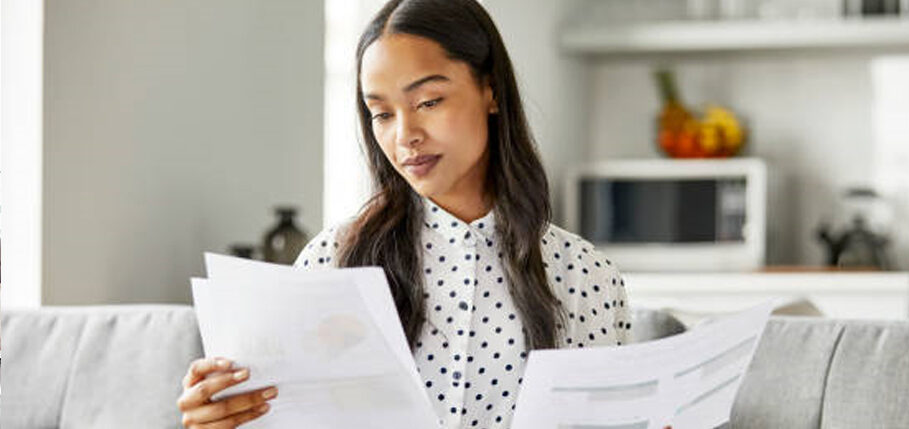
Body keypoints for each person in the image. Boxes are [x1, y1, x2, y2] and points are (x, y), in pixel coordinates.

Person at [176, 0, 631, 427]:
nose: (405, 136)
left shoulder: (584, 274)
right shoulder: (331, 261)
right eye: (381, 113)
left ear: (490, 90)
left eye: (429, 102)